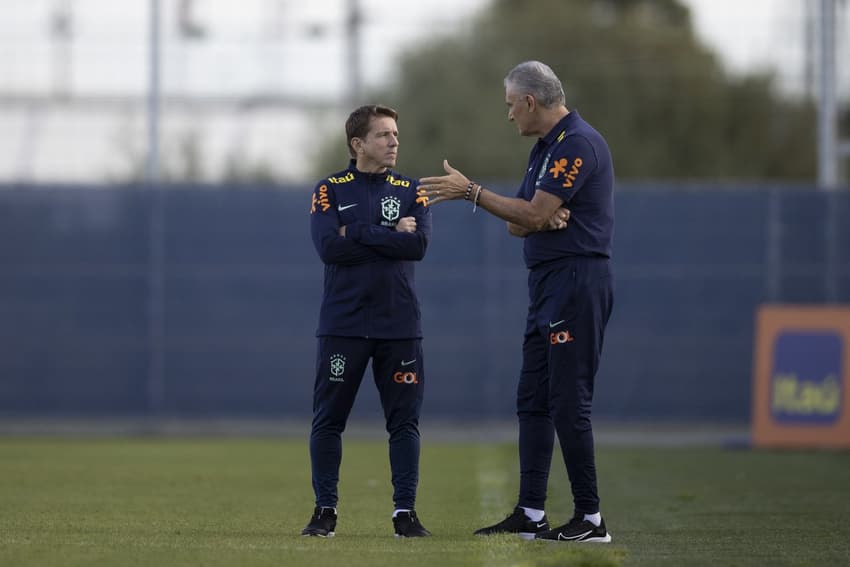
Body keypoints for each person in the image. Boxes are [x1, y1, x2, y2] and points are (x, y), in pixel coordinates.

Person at [418, 61, 614, 543]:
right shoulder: (544, 150)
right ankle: (531, 511)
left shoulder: (578, 143)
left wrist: (473, 191)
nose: (508, 115)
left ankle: (591, 519)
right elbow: (518, 221)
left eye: (510, 105)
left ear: (530, 101)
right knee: (533, 399)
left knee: (569, 402)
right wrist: (535, 215)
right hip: (547, 283)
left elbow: (529, 211)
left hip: (575, 279)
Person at [302, 104, 433, 538]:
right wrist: (387, 233)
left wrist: (355, 231)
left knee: (403, 423)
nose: (394, 142)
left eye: (395, 134)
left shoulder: (412, 188)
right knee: (328, 420)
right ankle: (325, 511)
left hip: (399, 326)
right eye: (384, 135)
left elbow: (417, 247)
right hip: (344, 324)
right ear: (358, 144)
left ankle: (405, 514)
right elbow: (327, 247)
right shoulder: (329, 189)